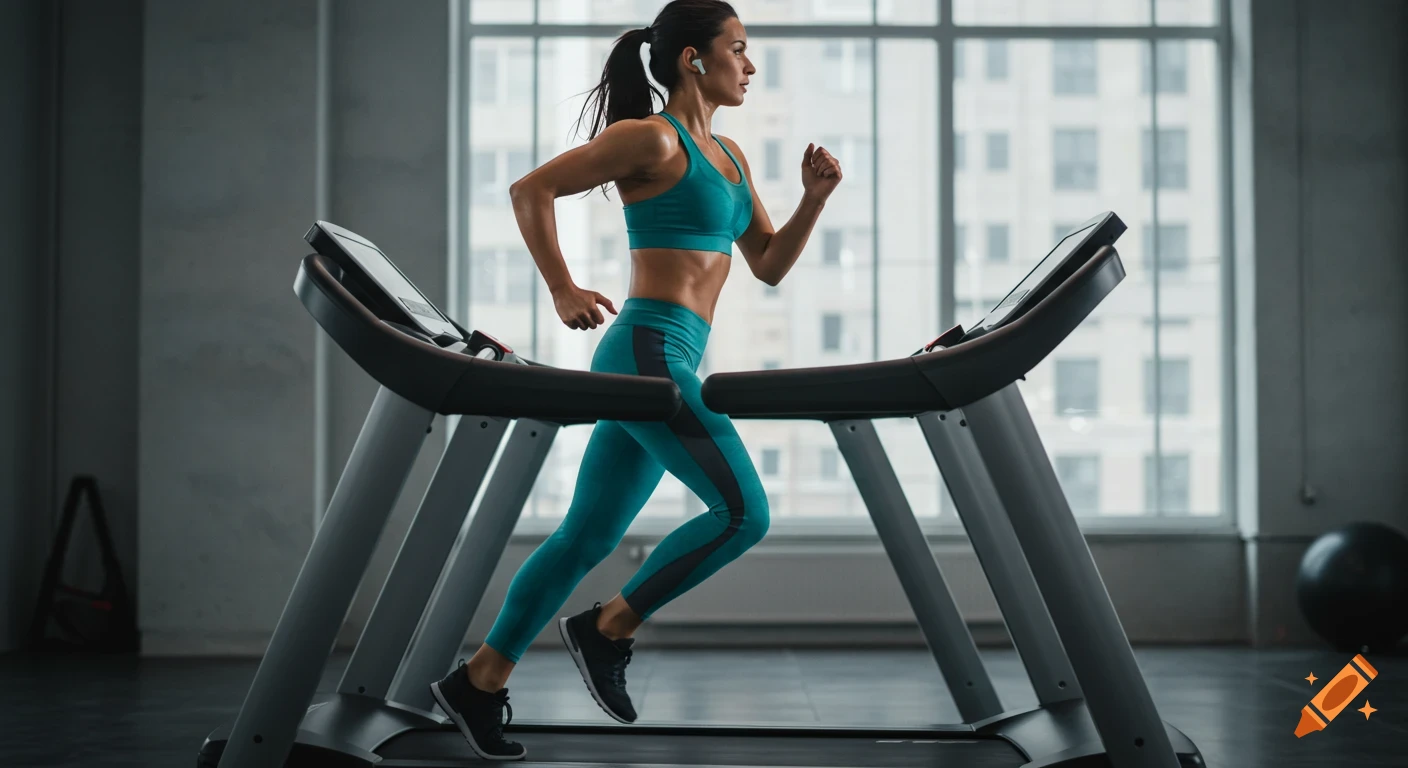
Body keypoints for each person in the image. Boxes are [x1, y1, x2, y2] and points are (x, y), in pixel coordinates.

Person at [430, 0, 843, 760]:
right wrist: (561, 287)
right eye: (739, 50)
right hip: (644, 347)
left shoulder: (731, 157)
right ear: (693, 59)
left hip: (673, 353)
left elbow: (769, 265)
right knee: (742, 514)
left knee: (586, 534)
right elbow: (531, 191)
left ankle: (480, 680)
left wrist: (813, 201)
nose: (750, 67)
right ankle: (608, 625)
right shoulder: (651, 136)